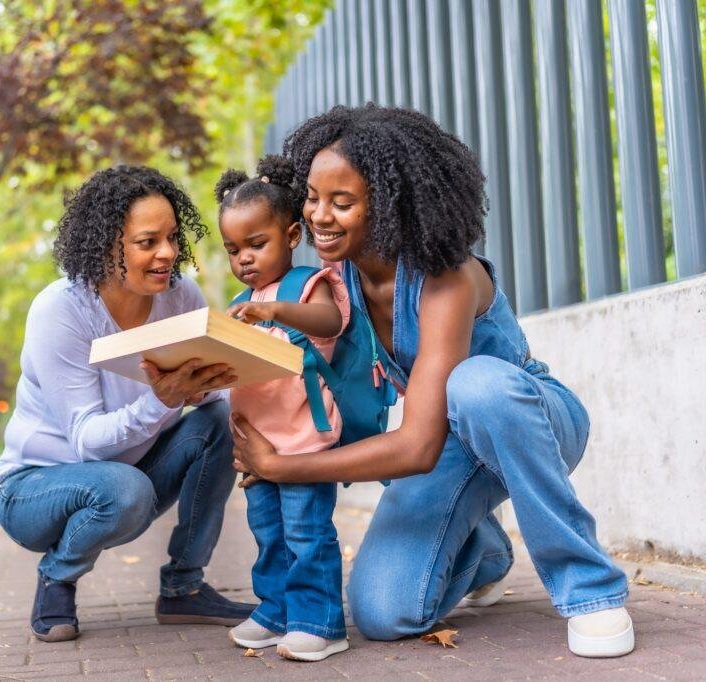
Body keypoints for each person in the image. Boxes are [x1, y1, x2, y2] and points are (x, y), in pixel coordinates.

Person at [230, 105, 635, 659]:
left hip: (526, 418)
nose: (321, 217)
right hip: (448, 446)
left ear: (391, 204)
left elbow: (416, 447)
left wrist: (280, 466)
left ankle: (590, 590)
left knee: (475, 386)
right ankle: (485, 551)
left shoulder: (446, 276)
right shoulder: (337, 278)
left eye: (342, 203)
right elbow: (311, 374)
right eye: (313, 198)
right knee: (382, 612)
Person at [0, 165, 255, 643]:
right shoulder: (61, 311)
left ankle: (183, 587)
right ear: (108, 244)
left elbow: (206, 388)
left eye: (173, 238)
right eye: (147, 242)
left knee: (218, 420)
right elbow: (89, 443)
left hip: (130, 472)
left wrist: (205, 388)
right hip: (32, 489)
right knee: (124, 488)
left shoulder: (180, 297)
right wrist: (162, 400)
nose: (168, 254)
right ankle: (57, 575)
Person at [215, 155, 353, 662]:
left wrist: (271, 310)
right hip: (258, 447)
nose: (245, 259)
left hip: (303, 442)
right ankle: (276, 611)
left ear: (292, 234)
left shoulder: (303, 286)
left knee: (306, 532)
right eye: (233, 249)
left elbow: (330, 321)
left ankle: (320, 621)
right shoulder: (241, 300)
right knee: (268, 533)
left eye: (257, 244)